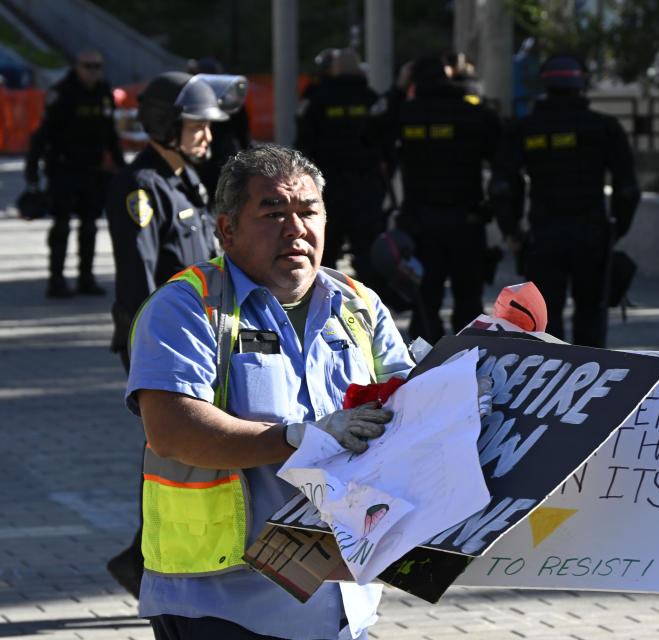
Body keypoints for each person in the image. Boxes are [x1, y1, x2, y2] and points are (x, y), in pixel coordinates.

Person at [125, 144, 415, 639]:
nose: (295, 228)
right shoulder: (188, 306)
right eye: (273, 212)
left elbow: (411, 403)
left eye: (308, 212)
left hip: (345, 600)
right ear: (227, 229)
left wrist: (479, 374)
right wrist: (300, 437)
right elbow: (173, 430)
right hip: (221, 604)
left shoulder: (360, 305)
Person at [103, 71, 236, 597]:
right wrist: (152, 349)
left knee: (183, 452)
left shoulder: (186, 181)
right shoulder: (141, 187)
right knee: (172, 449)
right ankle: (150, 561)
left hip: (200, 339)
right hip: (162, 343)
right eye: (196, 123)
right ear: (166, 123)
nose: (206, 133)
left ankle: (141, 559)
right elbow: (139, 281)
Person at [492, 54, 639, 347]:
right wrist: (617, 230)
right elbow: (628, 188)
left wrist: (511, 229)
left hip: (544, 235)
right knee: (591, 313)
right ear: (581, 83)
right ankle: (594, 380)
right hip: (592, 235)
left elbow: (504, 186)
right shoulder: (604, 127)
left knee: (544, 317)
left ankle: (551, 381)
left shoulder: (525, 128)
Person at [386, 55, 502, 341]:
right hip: (467, 222)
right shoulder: (475, 114)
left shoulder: (404, 114)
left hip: (420, 225)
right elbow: (504, 166)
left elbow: (370, 135)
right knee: (469, 302)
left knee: (425, 303)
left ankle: (427, 370)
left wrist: (399, 90)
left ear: (413, 80)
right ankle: (472, 364)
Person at [25, 48, 125, 298]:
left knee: (90, 226)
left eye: (97, 66)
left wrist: (123, 169)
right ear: (77, 66)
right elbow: (41, 135)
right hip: (64, 170)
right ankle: (56, 280)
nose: (93, 71)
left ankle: (86, 278)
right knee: (61, 226)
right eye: (88, 66)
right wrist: (32, 173)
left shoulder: (104, 92)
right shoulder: (63, 93)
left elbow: (110, 134)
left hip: (93, 171)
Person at [295, 48, 387, 283]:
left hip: (327, 186)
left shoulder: (317, 99)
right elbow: (384, 141)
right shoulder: (370, 98)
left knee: (325, 249)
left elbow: (303, 143)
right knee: (366, 250)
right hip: (366, 187)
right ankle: (368, 303)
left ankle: (323, 302)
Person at [187, 57, 252, 197]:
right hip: (201, 159)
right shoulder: (193, 101)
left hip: (223, 160)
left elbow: (243, 134)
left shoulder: (231, 102)